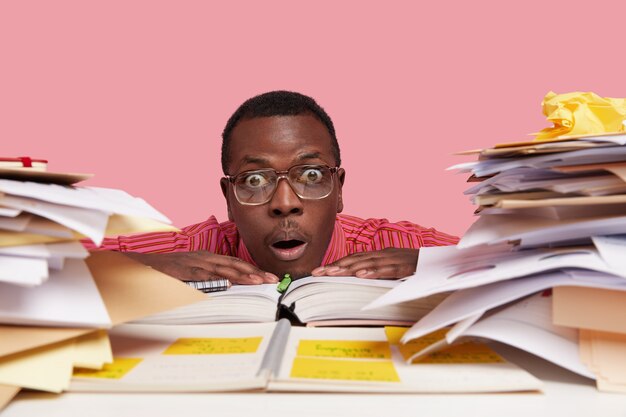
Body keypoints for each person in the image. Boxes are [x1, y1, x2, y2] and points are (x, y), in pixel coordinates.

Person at [96, 91, 458, 284]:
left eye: (311, 176)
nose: (285, 204)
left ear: (340, 189)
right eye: (255, 181)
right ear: (228, 200)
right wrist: (139, 267)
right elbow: (49, 265)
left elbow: (512, 262)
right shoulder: (188, 250)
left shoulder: (396, 246)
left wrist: (443, 264)